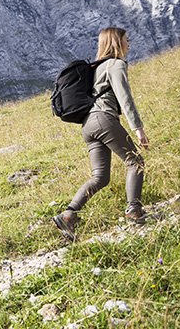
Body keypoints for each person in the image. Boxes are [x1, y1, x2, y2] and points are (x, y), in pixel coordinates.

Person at [53, 27, 150, 242]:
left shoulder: (96, 68)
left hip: (88, 124)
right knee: (135, 163)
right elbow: (124, 97)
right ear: (117, 42)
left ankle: (68, 215)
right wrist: (138, 128)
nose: (129, 43)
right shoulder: (116, 64)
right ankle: (134, 210)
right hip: (104, 119)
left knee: (100, 177)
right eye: (126, 39)